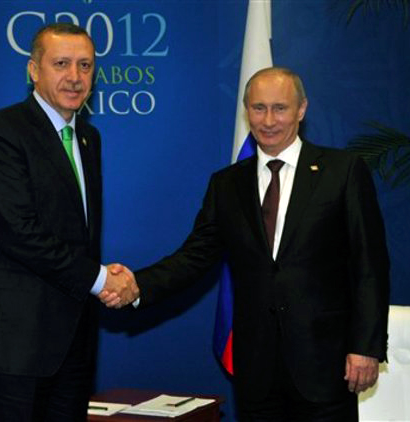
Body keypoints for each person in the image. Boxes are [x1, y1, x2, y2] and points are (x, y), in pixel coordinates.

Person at [102, 67, 390, 421]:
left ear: (301, 110)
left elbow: (370, 265)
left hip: (325, 364)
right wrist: (137, 286)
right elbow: (194, 257)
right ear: (246, 111)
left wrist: (366, 347)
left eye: (280, 108)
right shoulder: (226, 184)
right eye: (258, 108)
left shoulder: (342, 171)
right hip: (256, 368)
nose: (268, 120)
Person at [0, 23, 138, 422]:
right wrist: (100, 279)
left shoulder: (88, 138)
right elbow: (17, 231)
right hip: (11, 344)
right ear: (33, 70)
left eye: (85, 65)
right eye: (61, 64)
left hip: (72, 342)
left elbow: (76, 235)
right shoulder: (3, 131)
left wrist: (98, 277)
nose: (75, 76)